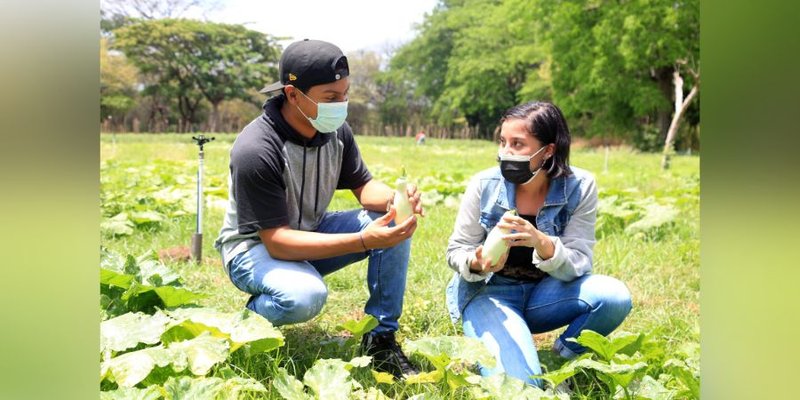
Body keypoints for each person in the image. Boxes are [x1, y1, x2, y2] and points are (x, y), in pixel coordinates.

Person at [214, 39, 424, 378]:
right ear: (293, 94)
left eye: (345, 94)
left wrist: (395, 200)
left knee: (392, 221)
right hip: (254, 249)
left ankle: (381, 339)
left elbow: (363, 186)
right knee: (305, 296)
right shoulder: (256, 148)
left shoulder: (335, 130)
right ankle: (248, 323)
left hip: (308, 232)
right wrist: (363, 241)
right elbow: (278, 241)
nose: (342, 105)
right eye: (331, 98)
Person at [444, 101, 632, 387]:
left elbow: (580, 262)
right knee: (522, 387)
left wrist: (542, 243)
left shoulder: (580, 186)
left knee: (614, 296)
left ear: (548, 151)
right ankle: (506, 343)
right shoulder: (484, 184)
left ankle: (564, 355)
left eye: (518, 144)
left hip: (546, 295)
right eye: (503, 142)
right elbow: (456, 250)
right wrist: (475, 261)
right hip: (489, 294)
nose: (505, 152)